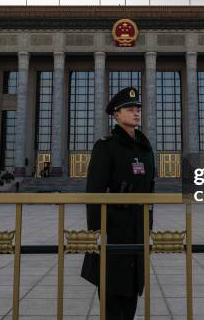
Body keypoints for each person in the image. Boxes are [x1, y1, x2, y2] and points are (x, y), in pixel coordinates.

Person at [81, 87, 155, 320]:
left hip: (137, 230)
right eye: (130, 109)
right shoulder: (106, 146)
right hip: (113, 230)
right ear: (116, 114)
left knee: (132, 294)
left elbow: (149, 191)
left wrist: (148, 226)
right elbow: (94, 192)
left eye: (137, 109)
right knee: (112, 297)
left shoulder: (144, 148)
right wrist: (96, 231)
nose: (136, 113)